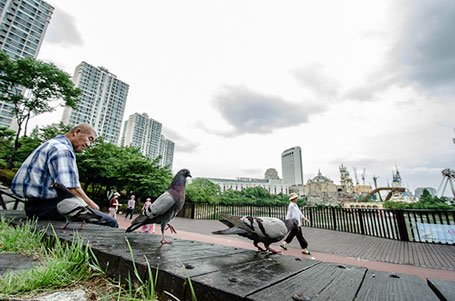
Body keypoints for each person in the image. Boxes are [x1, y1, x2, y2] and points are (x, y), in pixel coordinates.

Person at [11, 124, 118, 228]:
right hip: (46, 207)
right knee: (110, 222)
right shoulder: (63, 149)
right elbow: (70, 188)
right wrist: (91, 204)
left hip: (32, 204)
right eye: (89, 139)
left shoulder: (51, 143)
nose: (89, 144)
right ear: (77, 132)